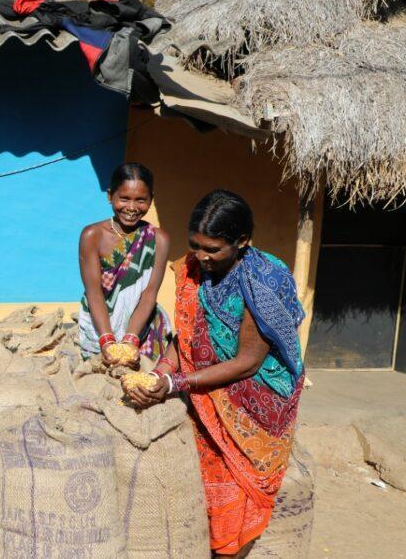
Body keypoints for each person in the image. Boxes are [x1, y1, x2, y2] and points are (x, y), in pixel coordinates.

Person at [126, 189, 305, 557]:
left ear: (242, 242)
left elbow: (248, 362)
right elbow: (186, 339)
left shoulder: (263, 281)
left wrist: (176, 383)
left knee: (235, 494)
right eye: (196, 246)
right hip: (205, 387)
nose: (202, 257)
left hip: (255, 398)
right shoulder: (192, 270)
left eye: (213, 249)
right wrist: (161, 370)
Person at [78, 162, 172, 365]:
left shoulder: (159, 239)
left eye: (141, 200)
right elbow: (94, 292)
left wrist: (130, 340)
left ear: (151, 200)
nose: (131, 207)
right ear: (110, 196)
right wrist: (107, 341)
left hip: (141, 327)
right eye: (124, 199)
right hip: (99, 325)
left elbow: (149, 294)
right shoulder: (92, 235)